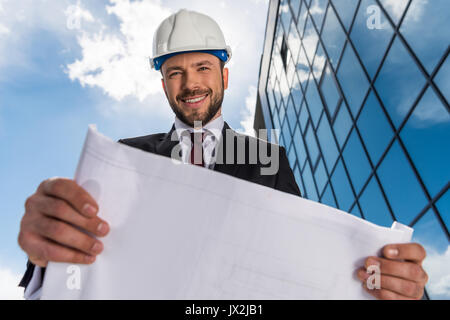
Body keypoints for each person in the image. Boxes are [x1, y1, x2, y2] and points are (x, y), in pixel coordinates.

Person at [17, 9, 428, 300]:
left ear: (225, 76)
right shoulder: (126, 155)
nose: (190, 83)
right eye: (175, 72)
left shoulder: (268, 158)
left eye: (202, 68)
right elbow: (84, 266)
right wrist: (45, 257)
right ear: (163, 84)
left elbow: (298, 253)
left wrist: (377, 282)